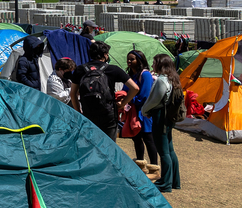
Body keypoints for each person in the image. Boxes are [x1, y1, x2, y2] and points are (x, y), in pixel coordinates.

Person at [69, 40, 138, 141]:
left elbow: (73, 93)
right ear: (105, 55)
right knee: (108, 145)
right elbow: (135, 88)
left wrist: (78, 111)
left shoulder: (80, 70)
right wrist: (123, 103)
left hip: (88, 113)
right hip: (108, 114)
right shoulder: (113, 69)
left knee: (91, 145)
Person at [143, 53, 184, 193]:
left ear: (161, 64)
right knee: (170, 149)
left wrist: (144, 110)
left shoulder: (161, 80)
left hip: (161, 115)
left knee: (163, 151)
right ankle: (174, 181)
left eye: (154, 62)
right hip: (169, 115)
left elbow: (155, 99)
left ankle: (165, 183)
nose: (153, 64)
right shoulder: (174, 78)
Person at [123, 49, 158, 174]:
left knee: (148, 138)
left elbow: (144, 96)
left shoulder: (145, 74)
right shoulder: (130, 76)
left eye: (132, 59)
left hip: (144, 112)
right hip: (132, 112)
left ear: (139, 60)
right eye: (128, 59)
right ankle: (140, 163)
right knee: (136, 138)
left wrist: (129, 100)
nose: (129, 61)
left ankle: (154, 167)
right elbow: (124, 91)